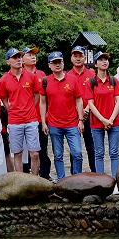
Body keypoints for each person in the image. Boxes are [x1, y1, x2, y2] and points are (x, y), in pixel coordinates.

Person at [39, 51, 84, 179]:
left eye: (59, 62)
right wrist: (43, 122)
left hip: (72, 123)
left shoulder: (72, 79)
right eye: (54, 63)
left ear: (63, 63)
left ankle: (76, 178)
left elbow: (79, 100)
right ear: (49, 65)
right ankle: (61, 179)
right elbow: (42, 102)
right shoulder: (46, 81)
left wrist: (81, 120)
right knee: (58, 155)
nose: (57, 65)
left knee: (77, 153)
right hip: (54, 124)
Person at [0, 48, 41, 174]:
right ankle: (20, 181)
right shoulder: (4, 80)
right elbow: (4, 99)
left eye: (19, 57)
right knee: (17, 154)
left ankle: (34, 180)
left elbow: (37, 95)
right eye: (15, 57)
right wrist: (12, 110)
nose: (18, 59)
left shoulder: (31, 76)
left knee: (34, 154)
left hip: (31, 119)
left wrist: (29, 107)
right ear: (8, 62)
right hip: (14, 121)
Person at [84, 52, 119, 176]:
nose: (104, 62)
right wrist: (103, 120)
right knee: (99, 153)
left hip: (114, 121)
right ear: (95, 64)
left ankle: (116, 181)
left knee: (114, 153)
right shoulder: (91, 82)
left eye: (106, 59)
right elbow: (90, 104)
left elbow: (118, 101)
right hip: (97, 122)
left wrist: (111, 119)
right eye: (101, 60)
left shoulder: (114, 81)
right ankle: (100, 181)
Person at [21, 46, 51, 179]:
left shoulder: (42, 75)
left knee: (42, 148)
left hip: (40, 117)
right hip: (25, 118)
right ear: (22, 60)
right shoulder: (19, 75)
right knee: (26, 150)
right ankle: (27, 175)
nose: (33, 57)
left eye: (34, 55)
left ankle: (45, 174)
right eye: (29, 55)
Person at [67, 46, 95, 171]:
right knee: (74, 148)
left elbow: (95, 94)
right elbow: (67, 98)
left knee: (92, 146)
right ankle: (75, 174)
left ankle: (95, 172)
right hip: (73, 117)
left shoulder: (92, 75)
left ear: (85, 58)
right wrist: (79, 112)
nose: (78, 59)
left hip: (90, 116)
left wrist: (87, 108)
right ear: (71, 58)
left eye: (80, 56)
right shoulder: (67, 75)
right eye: (75, 56)